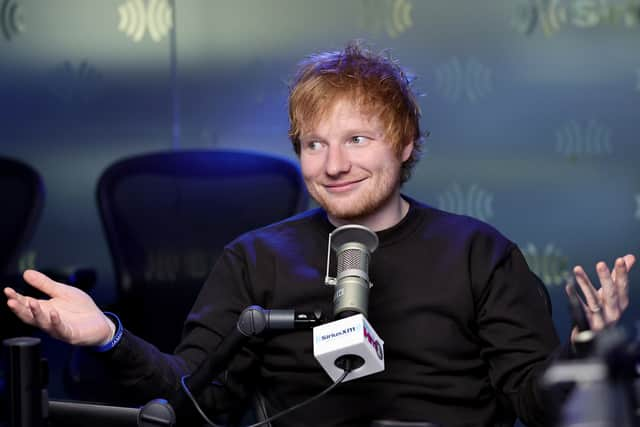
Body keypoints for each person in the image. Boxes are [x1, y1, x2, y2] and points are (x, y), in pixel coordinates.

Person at [3, 41, 636, 427]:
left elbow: (535, 402)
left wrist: (586, 345)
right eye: (314, 144)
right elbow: (197, 402)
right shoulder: (255, 259)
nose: (334, 165)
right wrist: (108, 337)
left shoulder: (479, 252)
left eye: (358, 139)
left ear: (407, 142)